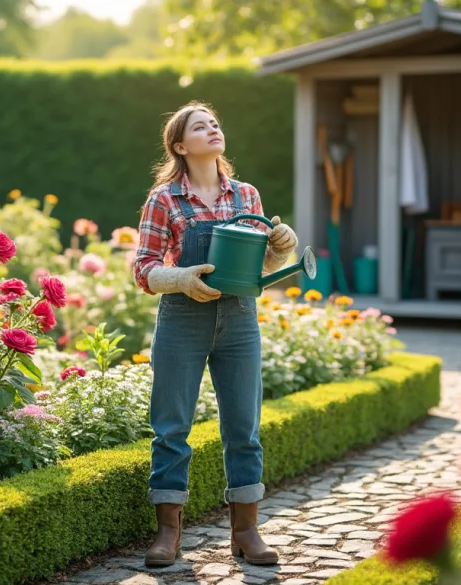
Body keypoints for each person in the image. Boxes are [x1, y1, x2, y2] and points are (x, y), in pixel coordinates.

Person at [133, 101, 299, 567]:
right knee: (171, 428)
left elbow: (259, 267)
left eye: (215, 124)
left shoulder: (246, 195)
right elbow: (143, 270)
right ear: (180, 145)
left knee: (244, 428)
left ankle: (246, 531)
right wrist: (182, 279)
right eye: (199, 127)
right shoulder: (163, 199)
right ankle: (168, 533)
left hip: (240, 321)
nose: (212, 129)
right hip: (182, 321)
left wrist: (280, 250)